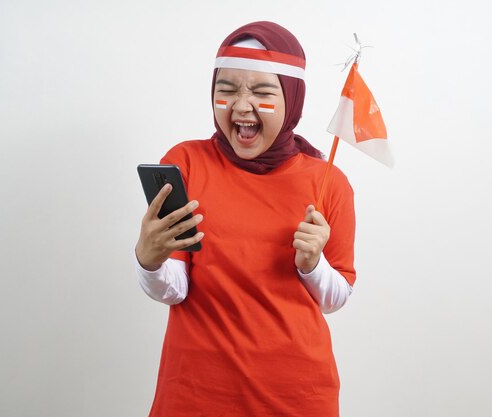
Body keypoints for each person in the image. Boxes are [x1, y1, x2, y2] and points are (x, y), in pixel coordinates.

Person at [135, 21, 356, 417]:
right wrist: (148, 261)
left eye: (261, 91)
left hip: (296, 394)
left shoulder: (328, 182)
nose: (240, 105)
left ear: (292, 98)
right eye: (227, 89)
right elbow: (175, 289)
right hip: (197, 393)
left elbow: (335, 299)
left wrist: (312, 266)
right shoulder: (185, 163)